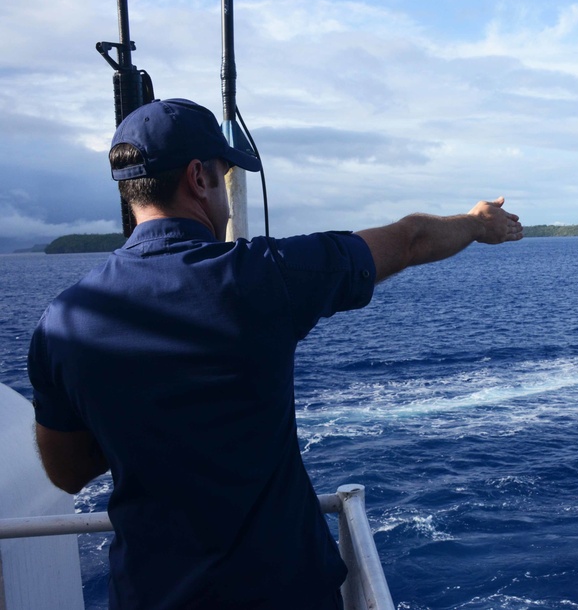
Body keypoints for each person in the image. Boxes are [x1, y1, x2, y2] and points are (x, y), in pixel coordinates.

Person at [28, 98, 522, 609]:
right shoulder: (265, 277)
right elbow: (411, 239)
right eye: (223, 175)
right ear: (199, 178)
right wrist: (476, 221)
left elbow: (67, 472)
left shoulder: (62, 321)